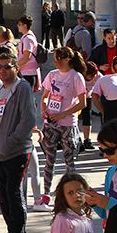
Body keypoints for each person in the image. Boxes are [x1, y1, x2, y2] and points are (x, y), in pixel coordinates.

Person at [0, 51, 38, 233]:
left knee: (14, 193)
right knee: (4, 195)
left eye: (8, 66)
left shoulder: (22, 88)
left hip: (16, 151)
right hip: (0, 152)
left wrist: (10, 141)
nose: (3, 71)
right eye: (0, 67)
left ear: (16, 68)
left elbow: (28, 120)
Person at [38, 47, 87, 209]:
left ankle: (71, 194)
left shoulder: (76, 76)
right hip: (51, 124)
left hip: (67, 124)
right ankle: (46, 194)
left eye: (58, 58)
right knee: (49, 160)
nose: (55, 61)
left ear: (67, 59)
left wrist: (63, 114)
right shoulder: (52, 75)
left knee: (69, 161)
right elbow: (44, 97)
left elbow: (82, 103)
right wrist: (44, 110)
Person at [15, 16, 40, 88]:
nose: (18, 26)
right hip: (26, 72)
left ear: (25, 25)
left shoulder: (28, 38)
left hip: (28, 73)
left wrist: (15, 66)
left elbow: (26, 57)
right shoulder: (26, 37)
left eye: (19, 24)